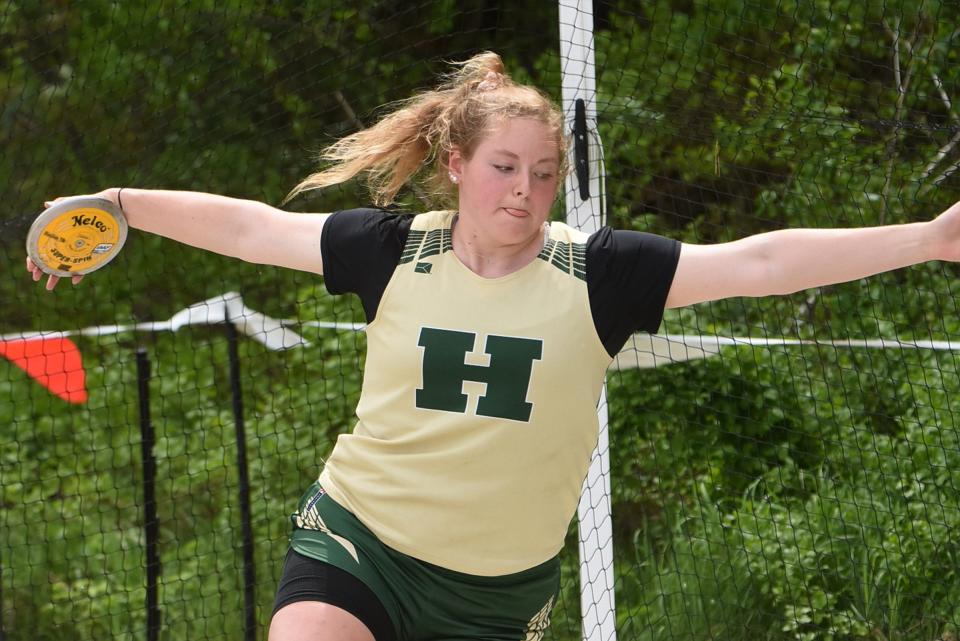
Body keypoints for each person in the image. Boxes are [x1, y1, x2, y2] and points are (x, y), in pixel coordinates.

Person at [27, 51, 960, 641]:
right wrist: (118, 205)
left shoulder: (601, 272)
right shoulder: (391, 247)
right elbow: (252, 227)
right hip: (359, 542)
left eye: (543, 173)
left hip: (497, 597)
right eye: (505, 167)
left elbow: (759, 261)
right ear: (456, 166)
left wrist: (928, 237)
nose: (524, 189)